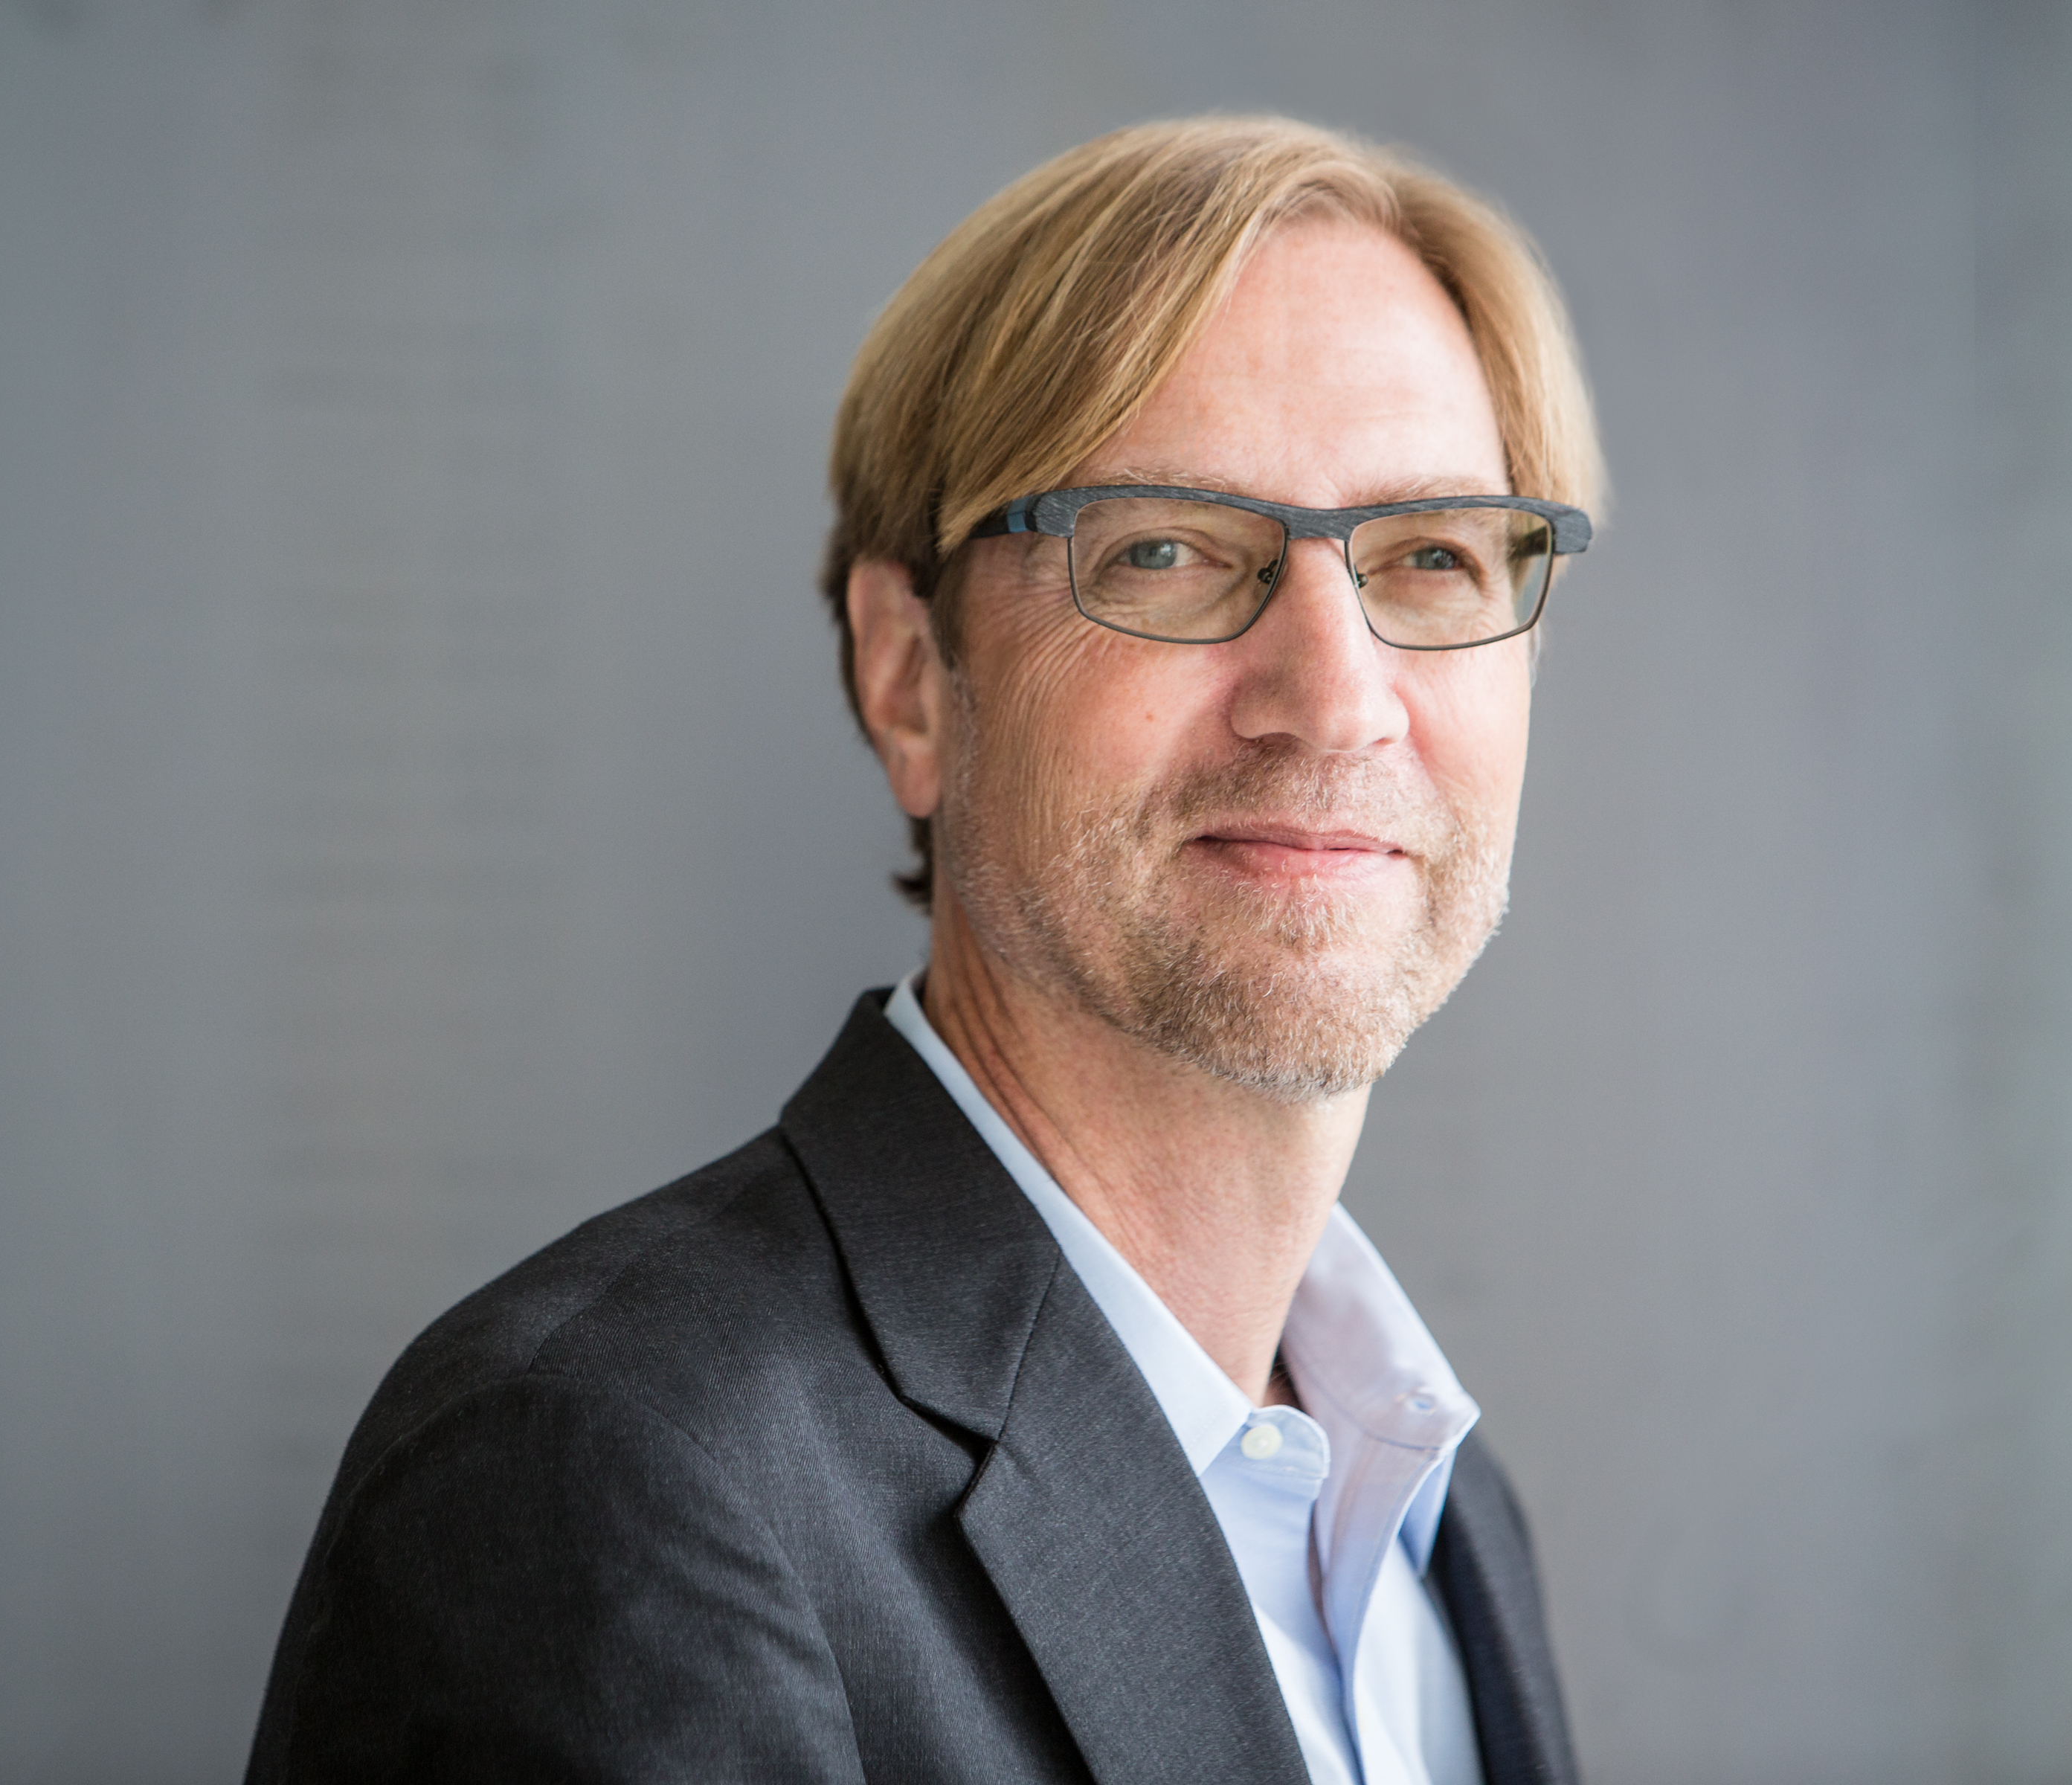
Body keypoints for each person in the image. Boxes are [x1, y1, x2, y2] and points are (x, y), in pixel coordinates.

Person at [246, 114, 1603, 1785]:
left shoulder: (1438, 1530)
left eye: (1432, 557)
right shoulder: (598, 1474)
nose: (1333, 696)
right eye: (1165, 549)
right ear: (910, 681)